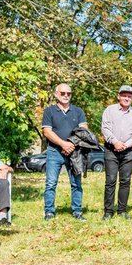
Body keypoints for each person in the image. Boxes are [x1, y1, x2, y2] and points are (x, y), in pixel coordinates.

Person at [42, 83, 88, 221]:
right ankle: (49, 212)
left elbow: (84, 130)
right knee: (51, 183)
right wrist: (63, 144)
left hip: (74, 153)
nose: (66, 96)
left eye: (69, 93)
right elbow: (47, 132)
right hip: (54, 151)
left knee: (76, 183)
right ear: (56, 94)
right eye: (63, 93)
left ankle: (77, 211)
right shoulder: (49, 111)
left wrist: (71, 145)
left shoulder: (78, 111)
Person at [101, 85, 132, 220]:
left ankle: (122, 210)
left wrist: (127, 144)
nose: (126, 98)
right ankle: (108, 212)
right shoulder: (110, 110)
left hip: (128, 150)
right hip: (111, 149)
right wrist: (115, 142)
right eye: (124, 95)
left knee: (125, 181)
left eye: (129, 96)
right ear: (118, 96)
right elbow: (105, 128)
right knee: (110, 180)